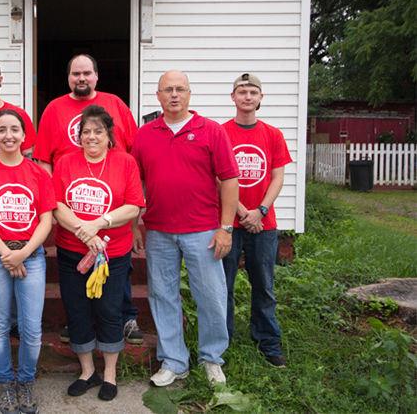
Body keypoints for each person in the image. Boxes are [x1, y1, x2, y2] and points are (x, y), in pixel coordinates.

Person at [131, 70, 239, 387]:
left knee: (211, 297)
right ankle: (174, 361)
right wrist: (137, 220)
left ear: (189, 94)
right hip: (159, 231)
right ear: (158, 96)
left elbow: (230, 181)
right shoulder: (145, 133)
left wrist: (226, 228)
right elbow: (136, 180)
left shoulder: (211, 131)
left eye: (180, 89)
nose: (174, 95)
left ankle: (211, 359)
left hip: (204, 230)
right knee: (163, 296)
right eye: (168, 90)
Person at [33, 53, 143, 346]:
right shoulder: (54, 109)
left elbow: (131, 153)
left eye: (87, 73)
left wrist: (133, 221)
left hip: (113, 204)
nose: (81, 78)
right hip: (69, 204)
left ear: (96, 76)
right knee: (73, 275)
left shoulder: (115, 104)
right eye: (75, 73)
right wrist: (51, 207)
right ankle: (79, 321)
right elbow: (44, 160)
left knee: (118, 268)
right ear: (68, 77)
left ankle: (125, 317)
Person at [52, 105, 145, 401]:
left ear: (109, 135)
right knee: (77, 311)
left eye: (98, 132)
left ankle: (110, 374)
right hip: (71, 254)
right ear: (79, 136)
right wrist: (83, 231)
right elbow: (56, 204)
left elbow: (133, 206)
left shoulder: (126, 162)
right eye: (86, 132)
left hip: (113, 254)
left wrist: (99, 224)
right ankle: (87, 371)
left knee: (108, 310)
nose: (91, 137)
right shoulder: (66, 162)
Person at [0, 109, 56, 414]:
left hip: (31, 255)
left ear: (23, 135)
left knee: (31, 328)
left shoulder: (38, 174)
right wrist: (8, 253)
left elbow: (46, 221)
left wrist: (23, 253)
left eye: (15, 129)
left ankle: (26, 381)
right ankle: (6, 384)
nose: (9, 135)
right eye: (2, 130)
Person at [222, 73, 292, 368]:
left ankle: (267, 341)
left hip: (264, 225)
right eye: (242, 91)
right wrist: (241, 212)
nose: (247, 97)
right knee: (223, 285)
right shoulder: (221, 132)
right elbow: (218, 176)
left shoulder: (272, 134)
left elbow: (277, 177)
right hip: (229, 223)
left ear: (260, 98)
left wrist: (260, 211)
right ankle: (221, 342)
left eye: (253, 92)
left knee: (263, 284)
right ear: (233, 98)